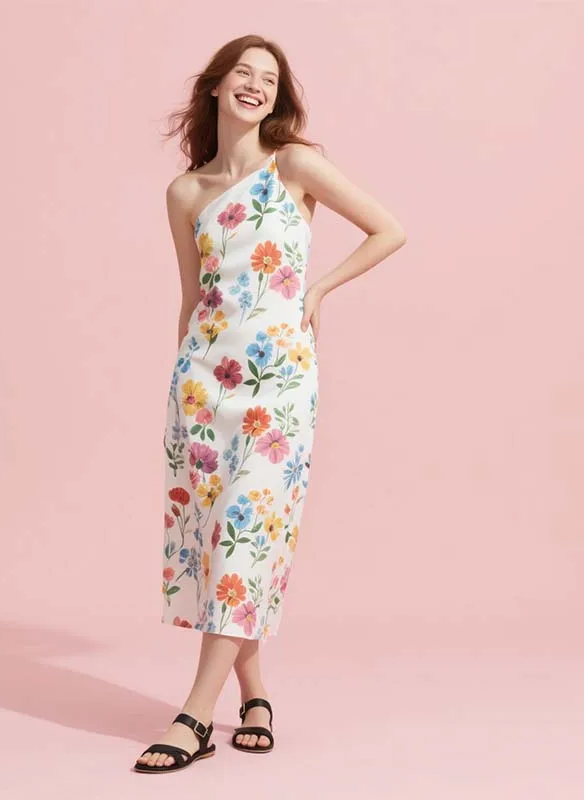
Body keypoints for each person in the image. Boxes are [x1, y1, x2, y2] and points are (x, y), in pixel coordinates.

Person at [134, 35, 407, 774]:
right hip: (202, 386)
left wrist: (317, 290)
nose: (256, 85)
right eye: (243, 74)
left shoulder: (294, 165)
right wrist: (181, 383)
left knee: (246, 535)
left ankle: (195, 715)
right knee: (217, 543)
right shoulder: (185, 193)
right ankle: (254, 694)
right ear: (216, 86)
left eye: (269, 79)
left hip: (279, 385)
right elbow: (192, 298)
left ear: (276, 97)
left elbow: (390, 229)